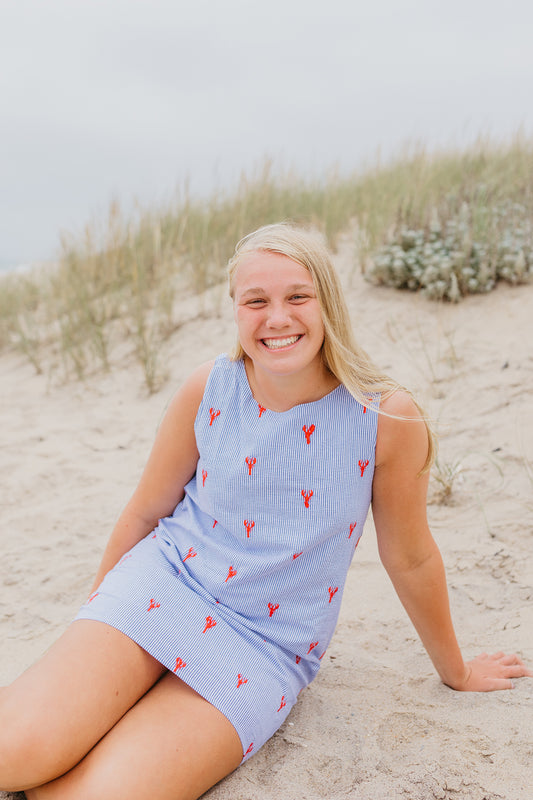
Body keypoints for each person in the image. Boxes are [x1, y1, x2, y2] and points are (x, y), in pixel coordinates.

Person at [0, 222, 530, 800]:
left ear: (328, 302)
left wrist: (456, 670)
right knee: (17, 752)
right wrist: (98, 617)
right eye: (257, 300)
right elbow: (146, 510)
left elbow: (409, 556)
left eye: (297, 297)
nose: (277, 318)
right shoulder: (209, 387)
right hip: (161, 584)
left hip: (262, 644)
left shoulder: (385, 419)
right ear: (236, 309)